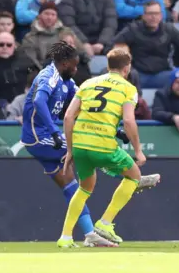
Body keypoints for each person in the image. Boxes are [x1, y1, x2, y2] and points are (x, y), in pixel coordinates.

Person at [20, 41, 118, 248]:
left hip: (45, 135)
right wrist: (55, 133)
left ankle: (89, 233)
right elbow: (38, 101)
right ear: (64, 63)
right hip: (40, 136)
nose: (76, 69)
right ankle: (129, 176)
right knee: (88, 149)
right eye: (74, 65)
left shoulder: (67, 82)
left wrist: (115, 130)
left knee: (70, 186)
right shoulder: (49, 76)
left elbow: (85, 106)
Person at [60, 48, 161, 248]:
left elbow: (68, 116)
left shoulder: (88, 83)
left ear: (107, 66)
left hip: (80, 144)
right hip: (103, 144)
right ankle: (105, 223)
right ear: (127, 67)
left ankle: (65, 237)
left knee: (84, 188)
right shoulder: (128, 89)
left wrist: (70, 150)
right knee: (134, 176)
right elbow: (129, 120)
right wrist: (138, 150)